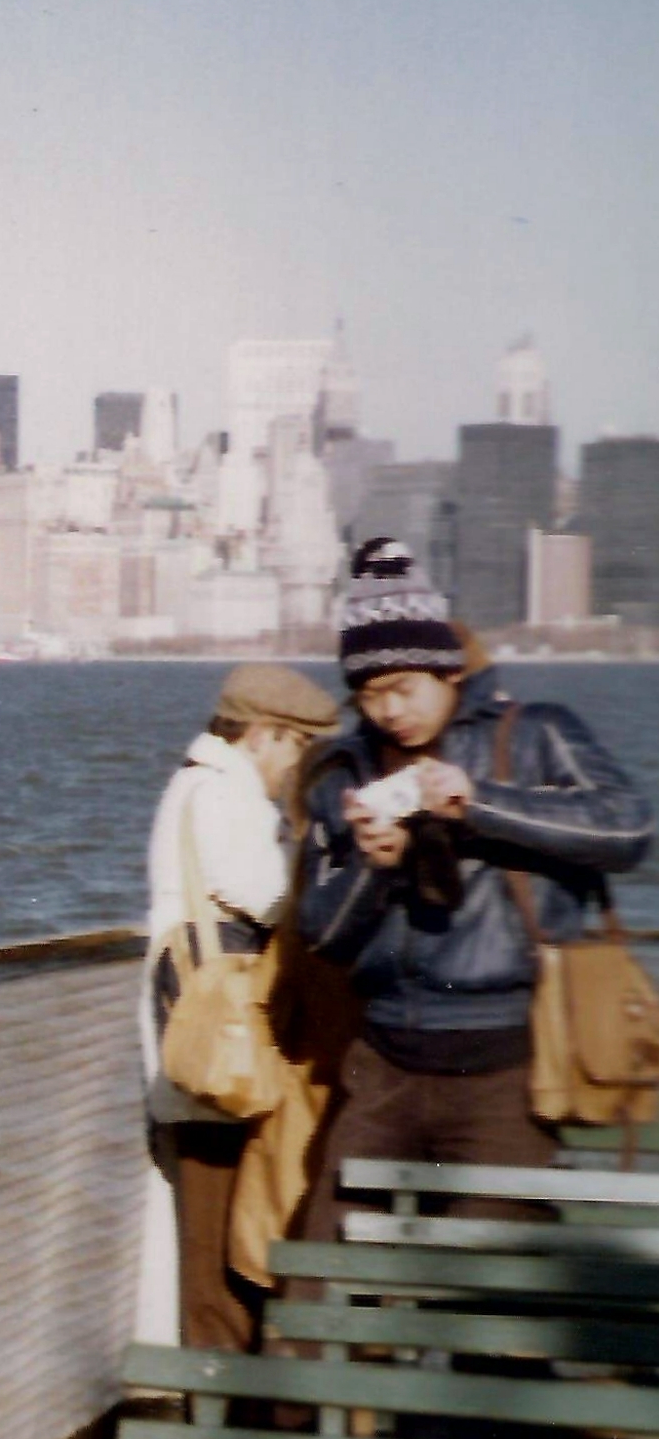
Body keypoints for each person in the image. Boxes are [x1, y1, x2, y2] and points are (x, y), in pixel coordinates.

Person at [295, 537, 652, 1234]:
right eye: (369, 695)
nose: (388, 711)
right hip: (384, 1062)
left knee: (491, 1279)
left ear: (450, 670)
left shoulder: (533, 735)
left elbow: (628, 829)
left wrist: (479, 804)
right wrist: (372, 864)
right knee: (330, 1266)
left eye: (404, 688)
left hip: (508, 1064)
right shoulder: (344, 770)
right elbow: (323, 934)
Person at [143, 662, 339, 1350]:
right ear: (262, 735)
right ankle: (222, 1395)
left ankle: (224, 1391)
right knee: (219, 1236)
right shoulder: (226, 796)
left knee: (215, 1228)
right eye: (297, 747)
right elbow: (277, 901)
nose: (296, 767)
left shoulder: (196, 785)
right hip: (220, 1057)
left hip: (203, 1048)